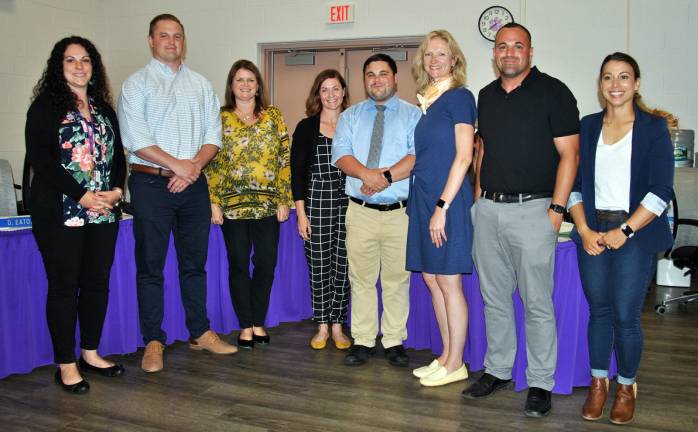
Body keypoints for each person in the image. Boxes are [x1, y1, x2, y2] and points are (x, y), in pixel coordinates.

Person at [462, 23, 580, 418]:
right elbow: (482, 151)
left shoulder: (554, 92)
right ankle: (497, 370)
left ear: (530, 52)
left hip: (535, 211)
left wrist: (556, 211)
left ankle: (540, 381)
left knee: (536, 303)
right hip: (489, 211)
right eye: (502, 47)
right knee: (494, 299)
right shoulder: (486, 96)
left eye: (517, 46)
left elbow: (570, 155)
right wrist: (478, 198)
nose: (509, 53)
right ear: (494, 53)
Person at [117, 14, 237, 373]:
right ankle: (153, 340)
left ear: (184, 41)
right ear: (151, 41)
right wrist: (178, 166)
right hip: (150, 183)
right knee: (151, 266)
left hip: (193, 185)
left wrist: (192, 168)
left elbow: (213, 137)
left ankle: (199, 332)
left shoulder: (201, 85)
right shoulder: (135, 85)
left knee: (194, 264)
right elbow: (135, 140)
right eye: (164, 36)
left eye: (178, 36)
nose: (172, 42)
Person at [568, 52, 674, 425]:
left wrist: (625, 230)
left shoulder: (653, 127)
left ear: (637, 83)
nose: (616, 85)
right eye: (608, 77)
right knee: (599, 312)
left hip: (635, 233)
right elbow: (576, 186)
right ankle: (599, 385)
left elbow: (661, 192)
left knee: (626, 316)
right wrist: (582, 230)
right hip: (592, 230)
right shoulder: (588, 125)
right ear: (600, 84)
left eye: (624, 77)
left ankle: (626, 386)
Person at [26, 36, 127, 394]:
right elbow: (44, 162)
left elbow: (117, 158)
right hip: (61, 212)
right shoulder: (45, 107)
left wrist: (116, 190)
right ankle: (66, 364)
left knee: (97, 284)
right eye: (71, 61)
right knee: (65, 287)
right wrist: (82, 195)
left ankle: (90, 353)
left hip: (103, 212)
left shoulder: (104, 108)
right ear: (59, 66)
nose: (80, 66)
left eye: (85, 60)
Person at [332, 53, 421, 367]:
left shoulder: (413, 115)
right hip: (361, 212)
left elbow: (416, 157)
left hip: (400, 213)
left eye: (383, 73)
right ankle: (364, 340)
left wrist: (382, 177)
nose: (377, 79)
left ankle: (395, 340)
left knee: (398, 279)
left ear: (396, 78)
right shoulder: (350, 116)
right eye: (370, 74)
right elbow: (341, 154)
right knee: (362, 279)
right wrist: (366, 175)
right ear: (364, 80)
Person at [205, 59, 292, 350]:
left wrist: (284, 199)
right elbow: (211, 163)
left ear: (258, 85)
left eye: (250, 80)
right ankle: (245, 324)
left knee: (266, 263)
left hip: (267, 205)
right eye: (239, 80)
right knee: (239, 264)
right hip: (232, 206)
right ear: (231, 85)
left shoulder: (273, 116)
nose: (245, 86)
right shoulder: (219, 118)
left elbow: (284, 159)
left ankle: (259, 321)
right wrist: (213, 202)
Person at [406, 30, 476, 387]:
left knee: (449, 282)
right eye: (429, 55)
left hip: (446, 202)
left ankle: (456, 363)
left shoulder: (460, 98)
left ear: (454, 61)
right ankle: (446, 356)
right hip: (423, 200)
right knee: (432, 280)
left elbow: (464, 156)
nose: (434, 60)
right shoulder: (429, 102)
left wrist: (442, 206)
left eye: (441, 54)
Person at [291, 69, 352, 350]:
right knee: (318, 267)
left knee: (343, 265)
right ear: (318, 94)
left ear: (343, 92)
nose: (330, 95)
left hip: (348, 202)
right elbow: (297, 174)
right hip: (315, 201)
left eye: (335, 89)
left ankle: (338, 325)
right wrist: (301, 214)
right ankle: (322, 326)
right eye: (324, 89)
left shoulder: (353, 123)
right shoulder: (306, 127)